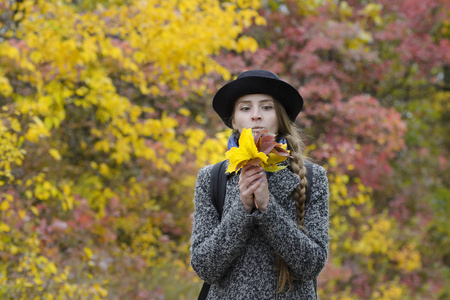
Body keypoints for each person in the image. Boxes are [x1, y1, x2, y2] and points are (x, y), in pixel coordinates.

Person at [190, 70, 329, 299]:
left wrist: (268, 209)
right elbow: (205, 267)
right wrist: (242, 209)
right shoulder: (212, 178)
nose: (256, 115)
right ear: (234, 120)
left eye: (266, 107)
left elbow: (311, 265)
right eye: (245, 108)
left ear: (280, 117)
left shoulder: (312, 176)